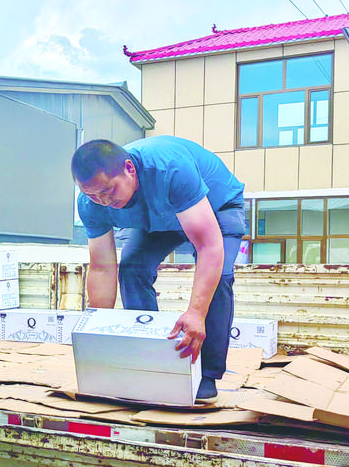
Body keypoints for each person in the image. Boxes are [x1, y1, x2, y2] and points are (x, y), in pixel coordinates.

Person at [71, 136, 246, 401]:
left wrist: (196, 313)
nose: (103, 201)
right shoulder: (90, 203)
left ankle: (206, 373)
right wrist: (97, 330)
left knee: (219, 276)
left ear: (129, 169)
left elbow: (208, 246)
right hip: (158, 219)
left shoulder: (170, 168)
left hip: (216, 204)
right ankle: (149, 359)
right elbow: (102, 267)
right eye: (93, 195)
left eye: (108, 191)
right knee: (132, 269)